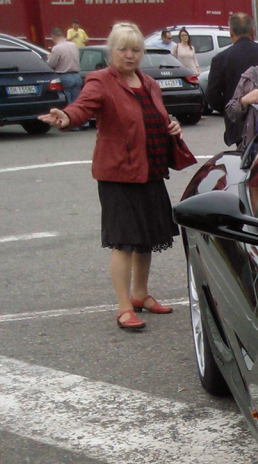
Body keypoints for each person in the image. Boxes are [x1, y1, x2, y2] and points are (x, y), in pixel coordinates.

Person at [38, 22, 188, 331]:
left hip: (150, 170)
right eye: (123, 49)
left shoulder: (148, 83)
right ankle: (123, 308)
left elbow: (154, 116)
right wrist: (65, 116)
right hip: (119, 174)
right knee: (124, 242)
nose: (130, 55)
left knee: (147, 238)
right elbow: (82, 107)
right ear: (112, 51)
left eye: (135, 49)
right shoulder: (101, 81)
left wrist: (171, 123)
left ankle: (140, 295)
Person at [205, 13, 258, 145]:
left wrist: (230, 109)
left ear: (231, 32)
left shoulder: (221, 59)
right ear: (253, 31)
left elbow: (212, 96)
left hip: (238, 127)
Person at [46, 27, 83, 113]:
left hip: (64, 76)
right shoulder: (74, 45)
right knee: (78, 102)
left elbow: (52, 64)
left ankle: (70, 122)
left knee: (67, 103)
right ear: (63, 35)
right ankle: (81, 122)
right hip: (77, 76)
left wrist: (49, 58)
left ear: (53, 37)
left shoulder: (56, 48)